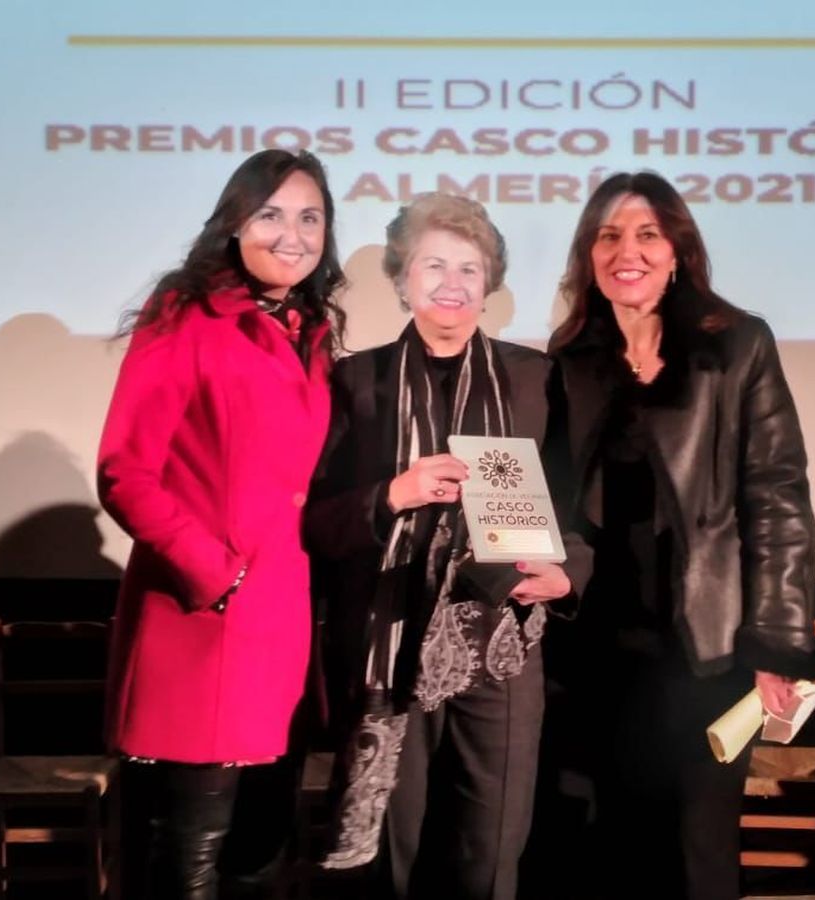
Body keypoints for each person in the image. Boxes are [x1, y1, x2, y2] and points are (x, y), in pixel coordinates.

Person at [303, 193, 591, 900]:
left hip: (503, 641)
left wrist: (567, 573)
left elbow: (579, 507)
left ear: (490, 285)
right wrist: (390, 496)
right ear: (402, 278)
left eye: (470, 267)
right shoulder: (354, 380)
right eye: (433, 265)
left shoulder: (537, 380)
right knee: (394, 857)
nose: (452, 283)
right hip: (389, 640)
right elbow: (313, 523)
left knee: (491, 849)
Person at [543, 171, 815, 900]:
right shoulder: (568, 358)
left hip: (711, 649)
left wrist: (777, 644)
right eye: (607, 236)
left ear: (677, 249)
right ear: (587, 254)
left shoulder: (736, 345)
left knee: (698, 854)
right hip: (595, 653)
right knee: (610, 853)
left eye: (646, 234)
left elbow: (779, 498)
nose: (625, 251)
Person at [96, 148, 345, 899]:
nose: (293, 235)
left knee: (260, 849)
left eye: (310, 218)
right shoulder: (186, 314)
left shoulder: (311, 330)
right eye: (271, 215)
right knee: (188, 860)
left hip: (289, 623)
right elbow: (124, 469)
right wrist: (217, 572)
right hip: (207, 623)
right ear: (234, 224)